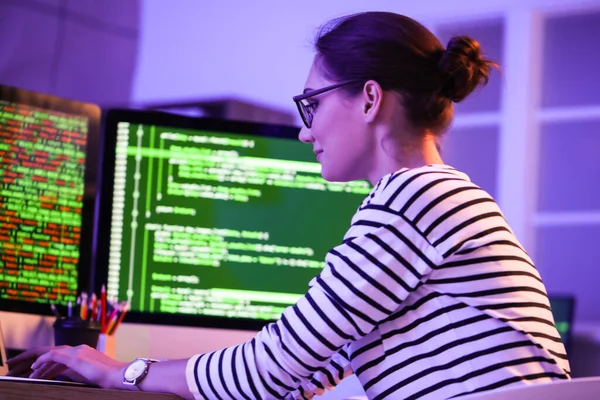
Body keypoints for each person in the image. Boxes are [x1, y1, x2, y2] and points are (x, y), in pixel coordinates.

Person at [8, 11, 570, 400]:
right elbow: (305, 366)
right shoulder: (434, 196)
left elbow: (278, 361)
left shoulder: (415, 198)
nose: (305, 131)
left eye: (312, 104)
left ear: (369, 99)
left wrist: (121, 372)